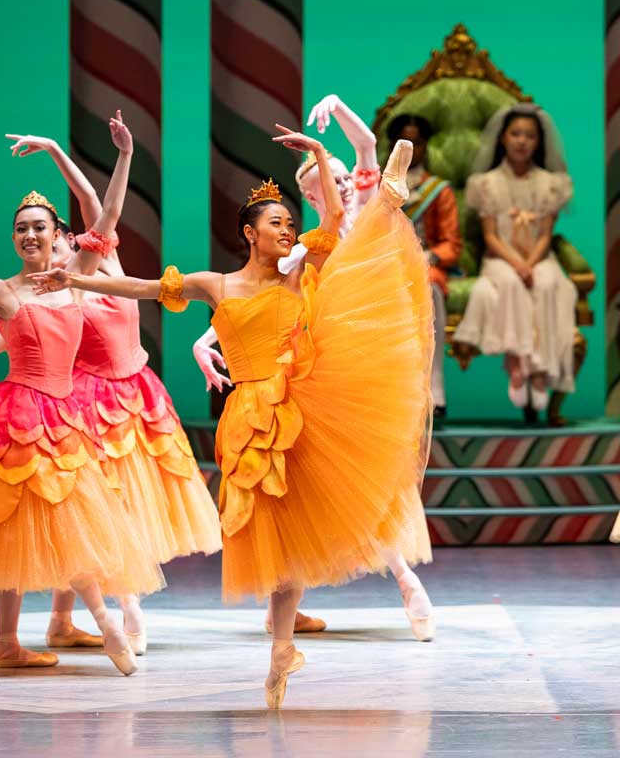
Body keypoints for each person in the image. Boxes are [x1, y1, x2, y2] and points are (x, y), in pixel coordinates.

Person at [29, 125, 434, 708]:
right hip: (248, 417)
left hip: (300, 399)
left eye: (288, 224)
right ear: (250, 233)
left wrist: (321, 153)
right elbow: (142, 286)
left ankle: (386, 197)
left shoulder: (296, 270)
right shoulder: (217, 285)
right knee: (275, 537)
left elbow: (324, 232)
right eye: (276, 224)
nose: (287, 231)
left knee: (347, 273)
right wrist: (75, 278)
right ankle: (282, 649)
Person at [194, 97, 436, 641]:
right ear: (309, 196)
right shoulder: (303, 245)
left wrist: (337, 112)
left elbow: (368, 145)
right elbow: (258, 303)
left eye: (347, 175)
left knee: (371, 471)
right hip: (325, 357)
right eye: (327, 182)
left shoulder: (363, 209)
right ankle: (377, 584)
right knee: (318, 478)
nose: (345, 182)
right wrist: (204, 339)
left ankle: (399, 581)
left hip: (373, 351)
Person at [0, 122, 223, 655]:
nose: (56, 242)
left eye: (52, 231)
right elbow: (2, 341)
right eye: (29, 230)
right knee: (75, 510)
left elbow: (101, 206)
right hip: (79, 405)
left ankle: (73, 622)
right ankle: (109, 614)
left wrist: (96, 153)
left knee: (90, 510)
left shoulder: (94, 271)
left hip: (127, 396)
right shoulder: (30, 292)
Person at [0, 113, 164, 675]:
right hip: (19, 418)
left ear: (56, 235)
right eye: (22, 228)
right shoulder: (0, 291)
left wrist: (126, 155)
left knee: (63, 525)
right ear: (13, 238)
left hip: (67, 418)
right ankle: (92, 627)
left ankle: (17, 641)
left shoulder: (73, 278)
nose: (31, 234)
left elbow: (105, 215)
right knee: (23, 527)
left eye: (40, 226)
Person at [453, 103, 576, 413]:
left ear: (539, 141)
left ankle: (540, 370)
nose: (522, 141)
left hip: (538, 257)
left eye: (530, 136)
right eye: (516, 134)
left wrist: (531, 263)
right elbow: (491, 236)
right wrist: (517, 264)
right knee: (510, 283)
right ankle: (518, 363)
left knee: (549, 285)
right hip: (500, 259)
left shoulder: (550, 183)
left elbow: (546, 235)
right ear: (503, 138)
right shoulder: (487, 184)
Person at [386, 114, 462, 418]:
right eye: (404, 140)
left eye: (418, 141)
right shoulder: (379, 184)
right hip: (386, 262)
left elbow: (451, 243)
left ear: (426, 145)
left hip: (425, 264)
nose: (412, 147)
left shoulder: (438, 190)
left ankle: (434, 383)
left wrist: (428, 256)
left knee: (428, 287)